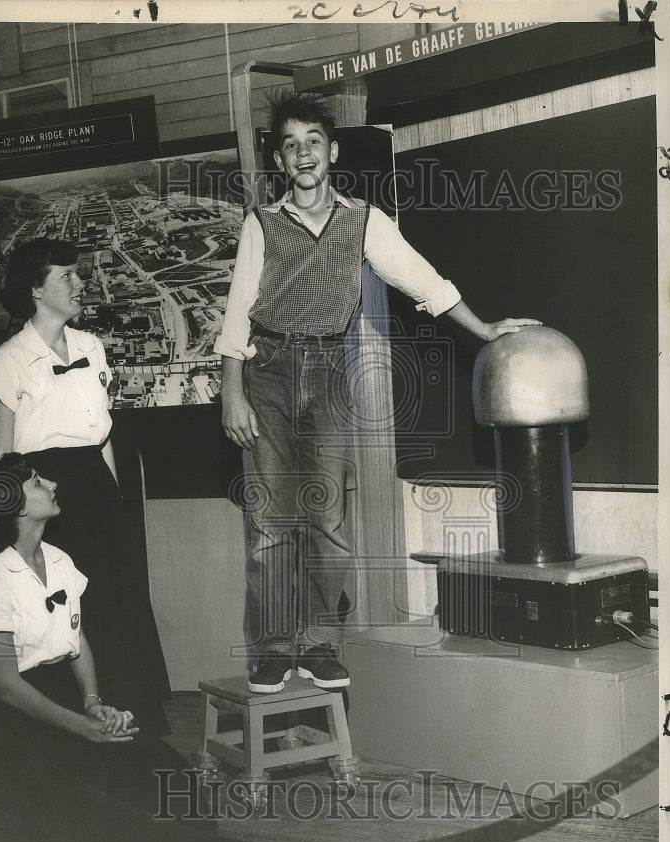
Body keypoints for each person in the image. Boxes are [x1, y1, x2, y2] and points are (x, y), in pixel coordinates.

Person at [215, 91, 540, 695]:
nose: (303, 153)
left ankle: (318, 645)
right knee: (270, 523)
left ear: (331, 151)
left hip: (333, 373)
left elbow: (425, 281)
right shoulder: (259, 225)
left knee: (328, 519)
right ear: (280, 163)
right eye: (290, 145)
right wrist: (232, 393)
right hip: (268, 374)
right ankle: (271, 649)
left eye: (313, 141)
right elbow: (236, 316)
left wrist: (486, 328)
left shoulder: (363, 220)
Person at [0, 453, 196, 842]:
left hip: (62, 694)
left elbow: (78, 639)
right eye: (36, 482)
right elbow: (8, 688)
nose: (50, 483)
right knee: (102, 825)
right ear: (14, 505)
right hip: (12, 713)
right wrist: (84, 729)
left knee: (179, 786)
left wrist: (93, 704)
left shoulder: (60, 561)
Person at [0, 239, 169, 734]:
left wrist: (117, 502)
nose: (79, 283)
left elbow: (102, 435)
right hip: (46, 493)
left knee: (121, 597)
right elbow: (1, 460)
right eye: (67, 275)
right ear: (36, 289)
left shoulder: (92, 347)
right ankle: (75, 724)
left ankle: (134, 717)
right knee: (69, 609)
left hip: (98, 488)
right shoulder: (7, 360)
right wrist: (20, 526)